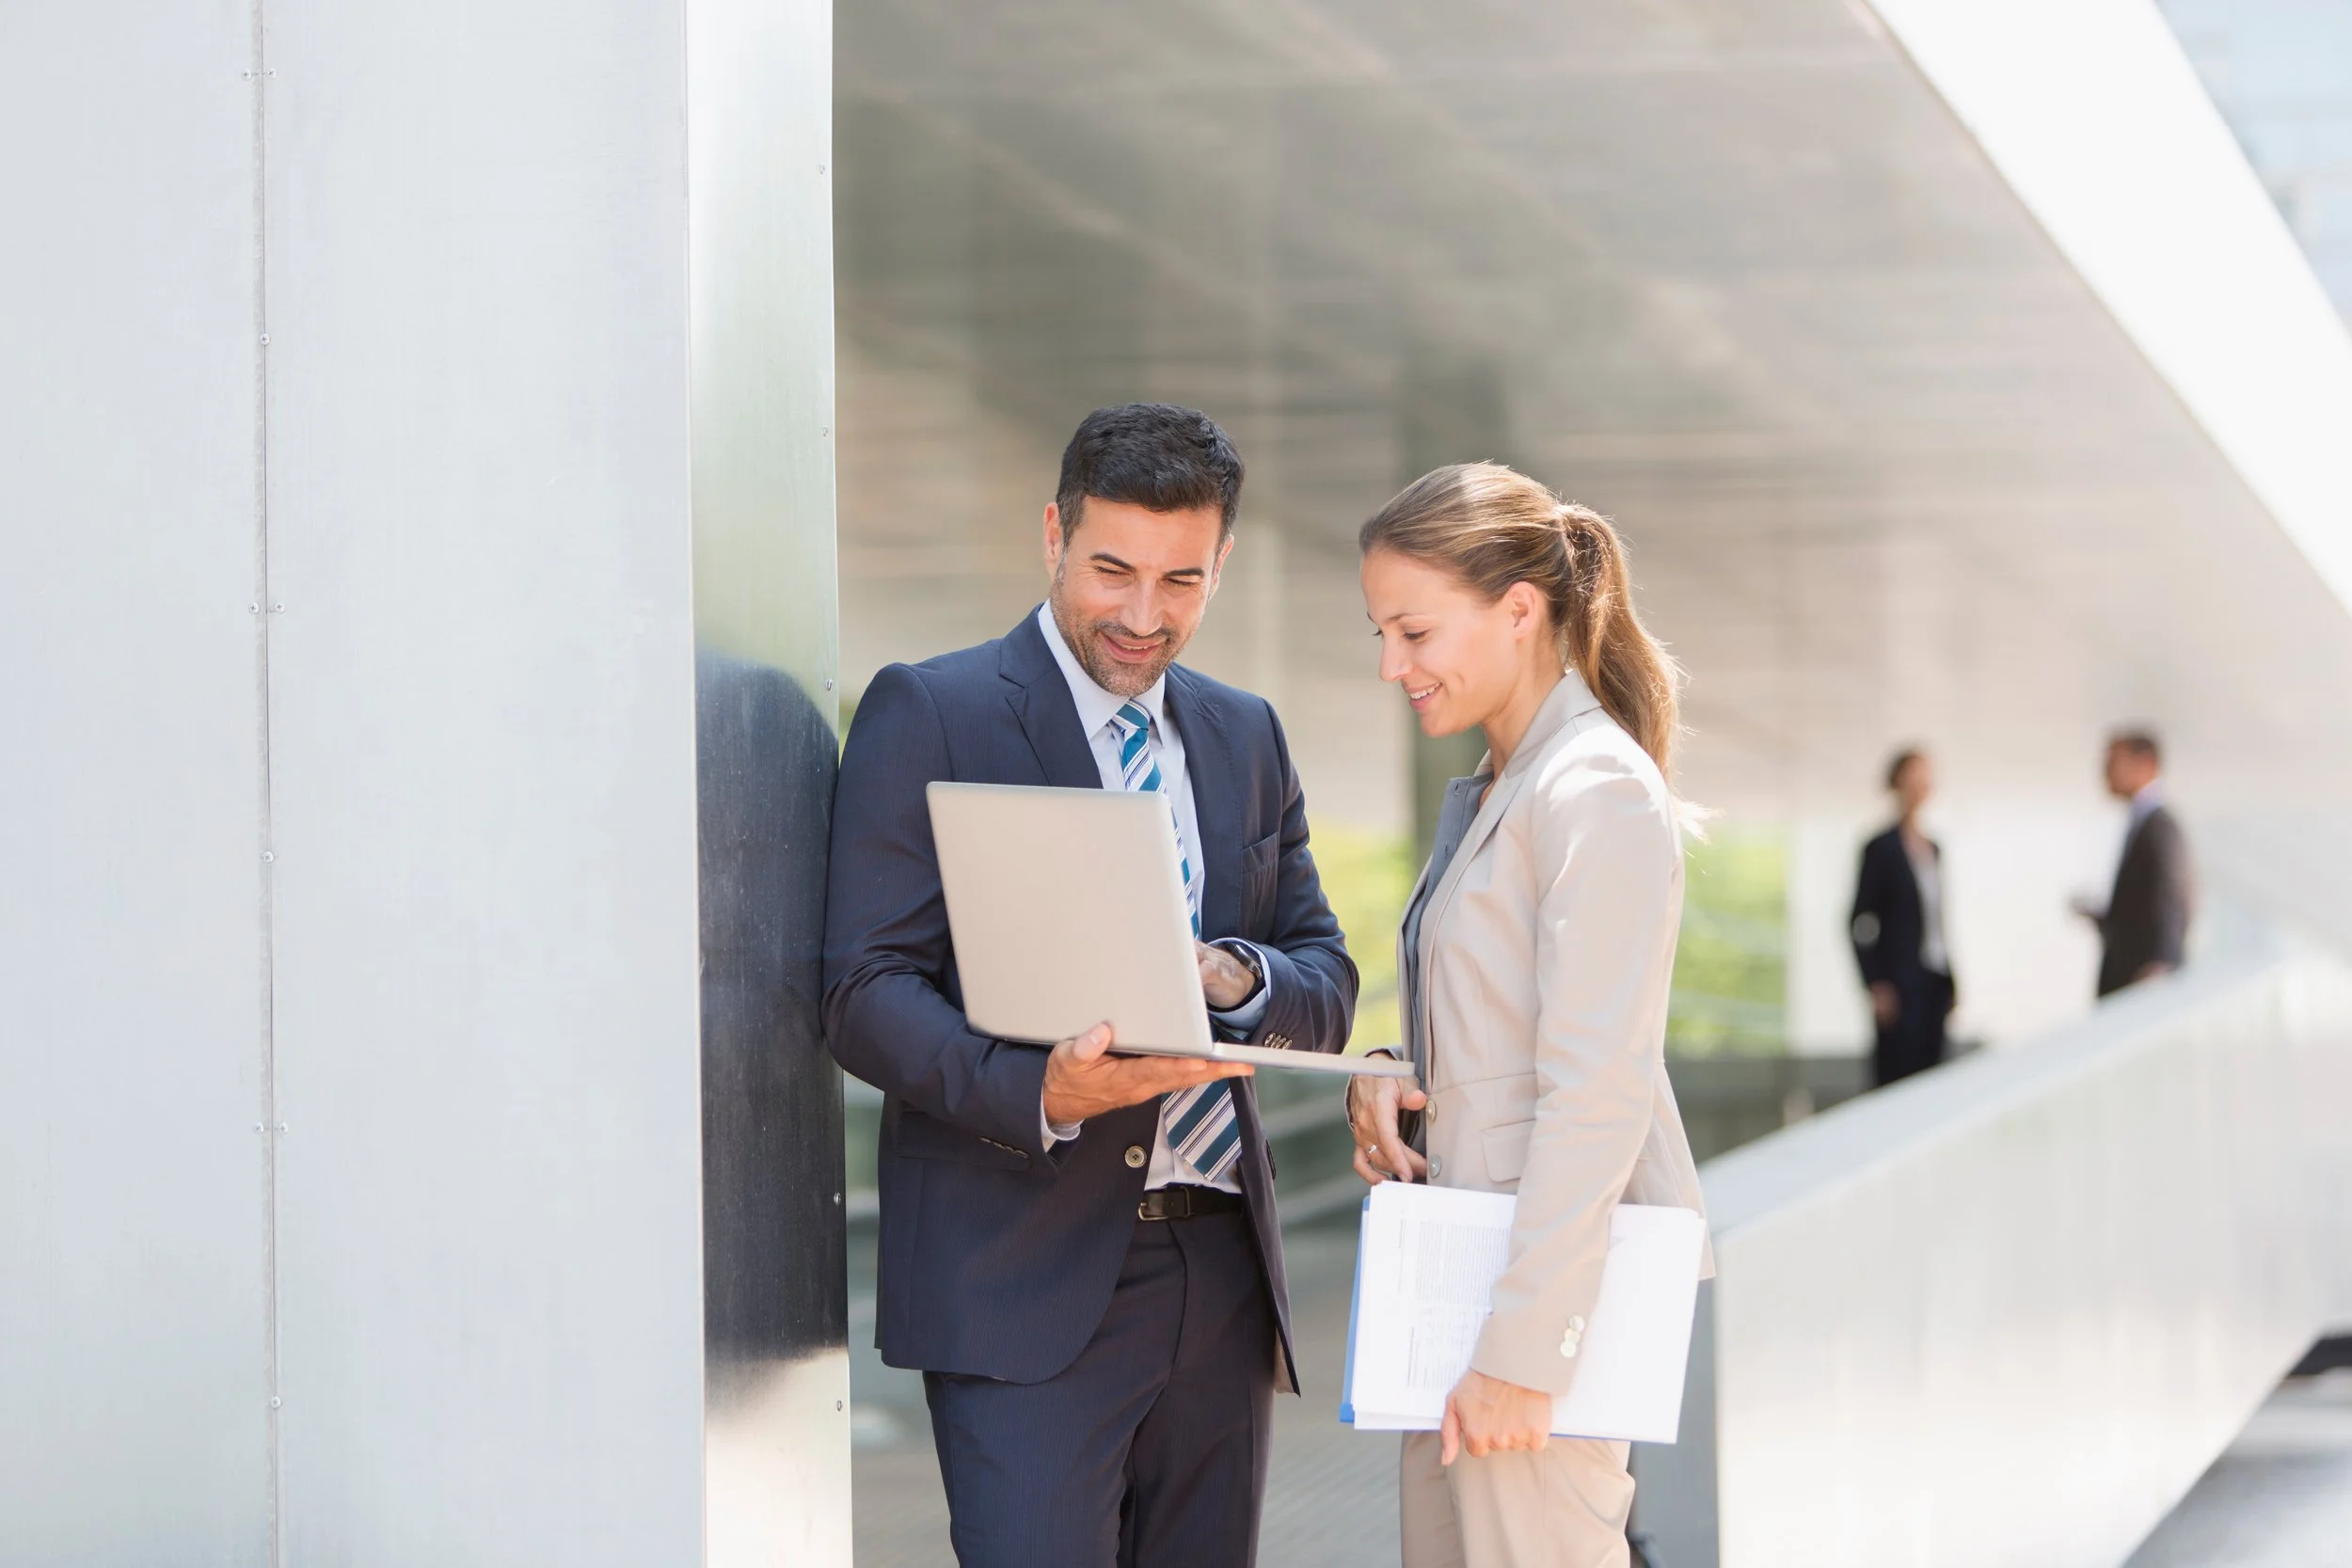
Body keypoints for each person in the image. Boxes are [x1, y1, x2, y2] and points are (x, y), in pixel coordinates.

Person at [822, 403, 1358, 1567]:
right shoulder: (935, 710)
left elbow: (1325, 977)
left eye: (1180, 579)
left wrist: (1228, 970)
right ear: (1052, 533)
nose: (1141, 612)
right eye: (1111, 568)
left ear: (1222, 566)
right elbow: (860, 986)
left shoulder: (1243, 734)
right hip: (1021, 1274)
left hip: (1216, 1271)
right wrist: (1045, 1092)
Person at [1346, 463, 1709, 1568]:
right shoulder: (1504, 786)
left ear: (1518, 609)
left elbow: (1597, 1090)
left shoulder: (1591, 785)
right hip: (1464, 1295)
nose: (1390, 665)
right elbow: (1500, 1025)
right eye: (1380, 633)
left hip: (1530, 1325)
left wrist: (1525, 1349)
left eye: (1413, 630)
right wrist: (1390, 1068)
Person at [1849, 748, 1957, 1088]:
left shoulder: (1934, 848)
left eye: (1927, 775)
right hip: (1899, 983)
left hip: (1934, 980)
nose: (1922, 783)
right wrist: (1875, 982)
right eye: (1914, 774)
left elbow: (1935, 920)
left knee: (1933, 1074)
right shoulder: (1880, 848)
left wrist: (1951, 977)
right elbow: (1859, 921)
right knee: (1898, 1073)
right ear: (1897, 782)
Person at [2074, 730, 2193, 997]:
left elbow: (2171, 895)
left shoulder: (2160, 826)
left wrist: (2161, 962)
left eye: (2113, 763)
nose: (2105, 774)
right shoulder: (2141, 823)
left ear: (2145, 764)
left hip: (2142, 978)